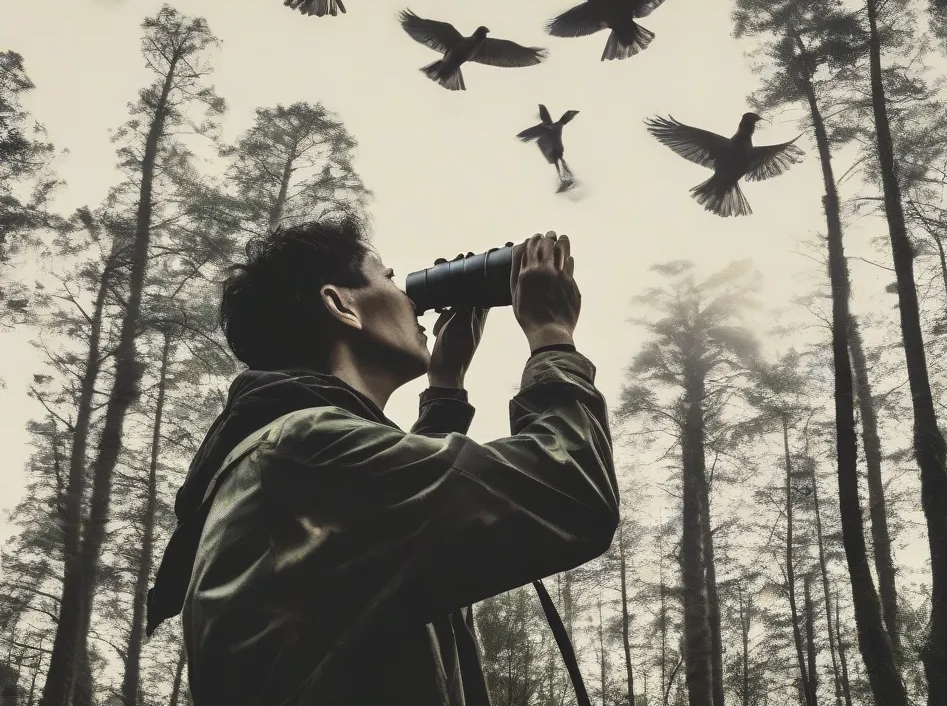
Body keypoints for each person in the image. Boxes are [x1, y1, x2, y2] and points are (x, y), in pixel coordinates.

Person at [144, 219, 620, 706]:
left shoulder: (290, 454)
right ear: (340, 305)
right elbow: (571, 489)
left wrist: (446, 385)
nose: (411, 299)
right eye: (391, 278)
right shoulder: (304, 449)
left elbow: (404, 521)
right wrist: (552, 336)